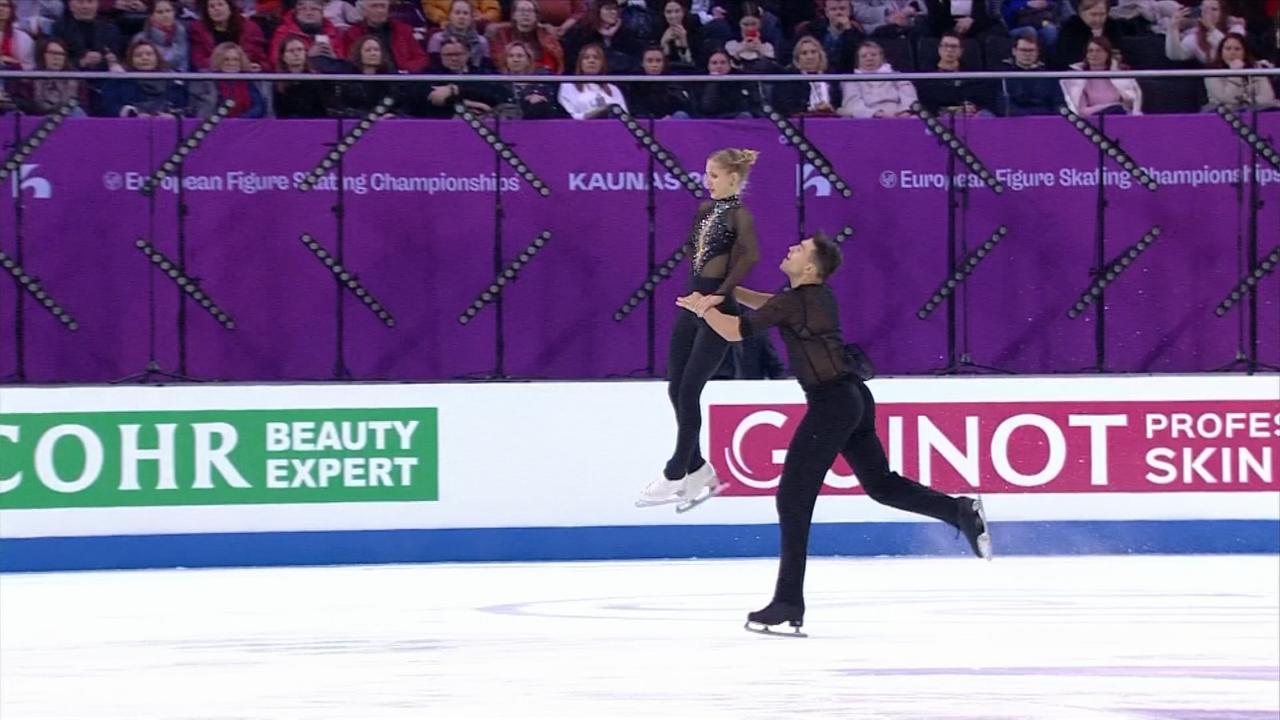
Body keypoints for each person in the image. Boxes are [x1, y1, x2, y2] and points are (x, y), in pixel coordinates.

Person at [676, 233, 992, 634]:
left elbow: (737, 331)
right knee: (881, 485)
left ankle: (788, 600)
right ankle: (957, 510)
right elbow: (770, 307)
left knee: (792, 499)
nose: (790, 248)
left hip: (832, 404)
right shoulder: (811, 297)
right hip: (852, 398)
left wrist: (703, 309)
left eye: (800, 249)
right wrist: (730, 291)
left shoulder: (797, 300)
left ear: (810, 267)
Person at [634, 148, 761, 510]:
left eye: (716, 175)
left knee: (689, 389)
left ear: (733, 179)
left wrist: (719, 295)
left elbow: (750, 256)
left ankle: (676, 471)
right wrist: (701, 288)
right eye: (707, 174)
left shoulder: (740, 215)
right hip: (692, 303)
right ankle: (699, 469)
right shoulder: (705, 210)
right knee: (676, 387)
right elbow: (695, 248)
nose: (708, 181)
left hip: (718, 308)